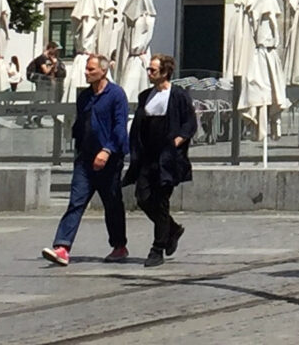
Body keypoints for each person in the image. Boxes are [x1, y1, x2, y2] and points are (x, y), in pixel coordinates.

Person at [42, 52, 130, 265]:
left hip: (109, 159)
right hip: (85, 159)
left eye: (91, 69)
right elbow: (81, 124)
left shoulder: (116, 94)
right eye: (86, 69)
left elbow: (120, 127)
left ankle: (119, 246)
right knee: (76, 201)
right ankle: (62, 247)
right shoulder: (84, 96)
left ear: (103, 70)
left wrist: (107, 150)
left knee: (112, 203)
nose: (86, 72)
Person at [127, 53, 196, 267]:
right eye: (149, 69)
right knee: (143, 198)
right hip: (147, 155)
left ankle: (157, 248)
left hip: (168, 157)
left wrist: (177, 141)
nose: (149, 73)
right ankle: (172, 229)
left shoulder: (178, 96)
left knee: (161, 201)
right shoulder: (145, 95)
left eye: (153, 70)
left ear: (165, 72)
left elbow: (190, 123)